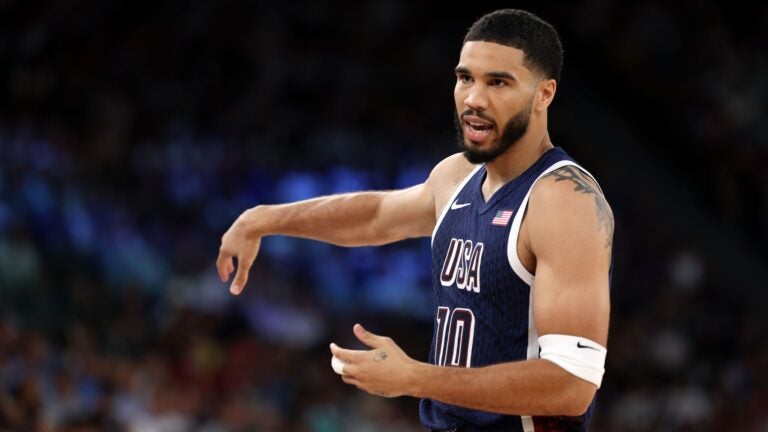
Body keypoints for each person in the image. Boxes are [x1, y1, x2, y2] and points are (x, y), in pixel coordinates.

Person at [216, 8, 613, 432]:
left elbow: (572, 385)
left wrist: (414, 378)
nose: (474, 99)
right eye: (465, 78)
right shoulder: (456, 175)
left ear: (544, 94)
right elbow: (375, 217)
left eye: (498, 82)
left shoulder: (564, 200)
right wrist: (263, 218)